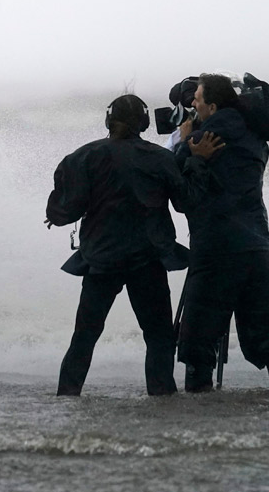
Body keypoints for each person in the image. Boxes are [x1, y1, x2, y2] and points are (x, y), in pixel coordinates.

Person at [46, 94, 223, 396]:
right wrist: (196, 160)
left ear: (108, 121)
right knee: (158, 337)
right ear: (143, 123)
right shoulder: (161, 158)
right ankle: (161, 397)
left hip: (100, 260)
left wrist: (55, 209)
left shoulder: (82, 157)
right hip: (148, 259)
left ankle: (67, 396)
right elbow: (185, 202)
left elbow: (63, 212)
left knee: (85, 336)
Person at [173, 73, 269, 391]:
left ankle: (198, 410)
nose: (193, 105)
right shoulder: (255, 135)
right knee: (265, 334)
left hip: (216, 248)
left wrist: (184, 141)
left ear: (212, 106)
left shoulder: (207, 136)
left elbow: (180, 188)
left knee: (198, 342)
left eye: (196, 100)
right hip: (255, 246)